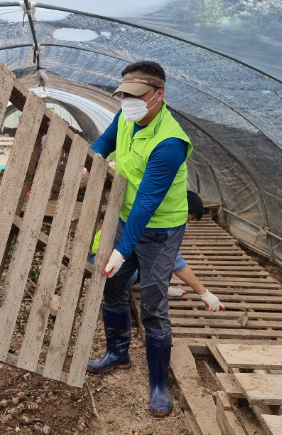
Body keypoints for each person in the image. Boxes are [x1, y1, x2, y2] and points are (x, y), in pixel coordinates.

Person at [86, 60, 192, 417]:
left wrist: (122, 248)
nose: (126, 102)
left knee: (153, 303)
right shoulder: (127, 116)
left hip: (160, 229)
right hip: (127, 215)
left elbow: (148, 202)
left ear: (158, 95)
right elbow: (106, 139)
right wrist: (95, 155)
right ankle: (118, 353)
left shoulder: (170, 143)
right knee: (111, 286)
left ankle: (159, 383)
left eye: (135, 96)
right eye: (123, 95)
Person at [90, 191, 225, 311]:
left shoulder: (160, 215)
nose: (185, 224)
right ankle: (117, 304)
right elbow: (175, 261)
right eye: (187, 219)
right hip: (102, 256)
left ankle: (144, 291)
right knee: (128, 276)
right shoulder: (154, 220)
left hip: (127, 257)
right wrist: (204, 293)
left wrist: (163, 287)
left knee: (156, 263)